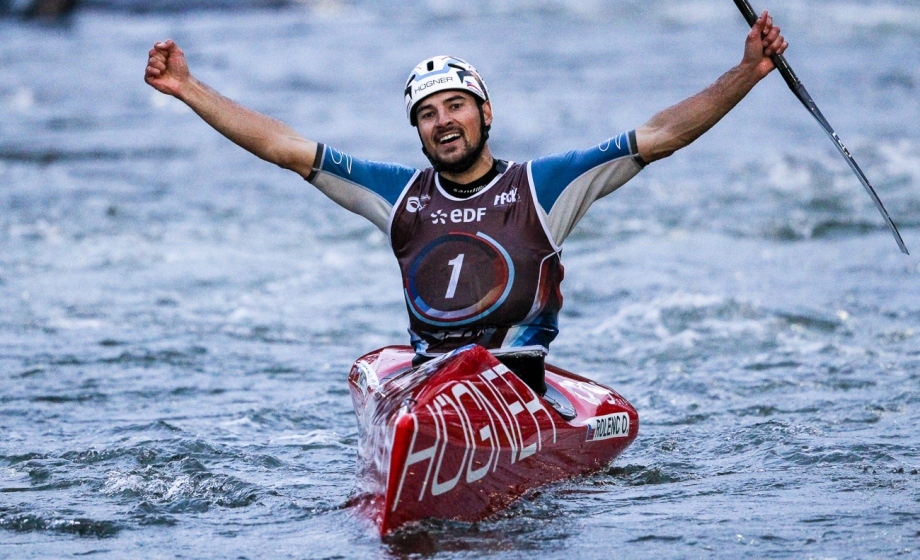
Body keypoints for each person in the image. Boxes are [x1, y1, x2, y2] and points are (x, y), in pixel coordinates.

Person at [145, 11, 787, 395]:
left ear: (485, 113)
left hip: (516, 386)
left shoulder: (544, 186)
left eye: (455, 105)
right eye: (426, 114)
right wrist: (188, 88)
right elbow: (288, 148)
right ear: (417, 130)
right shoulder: (398, 196)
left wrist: (747, 71)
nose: (443, 122)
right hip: (432, 386)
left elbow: (661, 136)